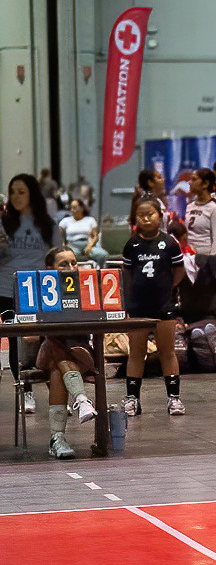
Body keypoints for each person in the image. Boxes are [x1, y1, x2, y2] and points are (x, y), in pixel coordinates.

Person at [0, 173, 65, 411]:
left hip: (38, 290)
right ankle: (24, 390)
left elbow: (59, 257)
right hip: (6, 288)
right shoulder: (3, 222)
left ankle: (59, 391)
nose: (16, 197)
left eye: (21, 191)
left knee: (47, 340)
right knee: (16, 340)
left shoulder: (48, 225)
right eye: (13, 191)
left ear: (32, 194)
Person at [120, 197, 187, 417]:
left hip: (163, 305)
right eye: (141, 215)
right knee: (136, 353)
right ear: (135, 219)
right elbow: (127, 275)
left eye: (150, 214)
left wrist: (168, 288)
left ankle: (174, 399)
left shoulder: (169, 243)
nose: (146, 218)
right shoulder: (132, 245)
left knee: (167, 351)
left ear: (160, 216)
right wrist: (131, 298)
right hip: (138, 306)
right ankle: (132, 399)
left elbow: (179, 271)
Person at [35, 246, 100, 459]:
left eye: (74, 263)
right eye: (64, 264)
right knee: (54, 344)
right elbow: (28, 337)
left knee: (57, 370)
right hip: (47, 351)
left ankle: (58, 439)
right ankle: (81, 399)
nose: (71, 268)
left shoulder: (86, 290)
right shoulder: (36, 291)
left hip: (80, 353)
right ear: (48, 269)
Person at [185, 168, 216, 256]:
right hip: (190, 258)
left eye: (194, 179)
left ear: (205, 184)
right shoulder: (189, 207)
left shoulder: (215, 209)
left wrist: (211, 262)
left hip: (206, 259)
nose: (189, 182)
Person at [59, 199, 105, 266]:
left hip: (87, 244)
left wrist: (90, 246)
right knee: (68, 256)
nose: (72, 210)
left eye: (74, 208)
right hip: (72, 245)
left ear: (81, 208)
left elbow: (95, 236)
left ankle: (100, 272)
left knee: (102, 254)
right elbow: (59, 235)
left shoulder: (90, 220)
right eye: (71, 208)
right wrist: (64, 246)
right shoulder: (65, 221)